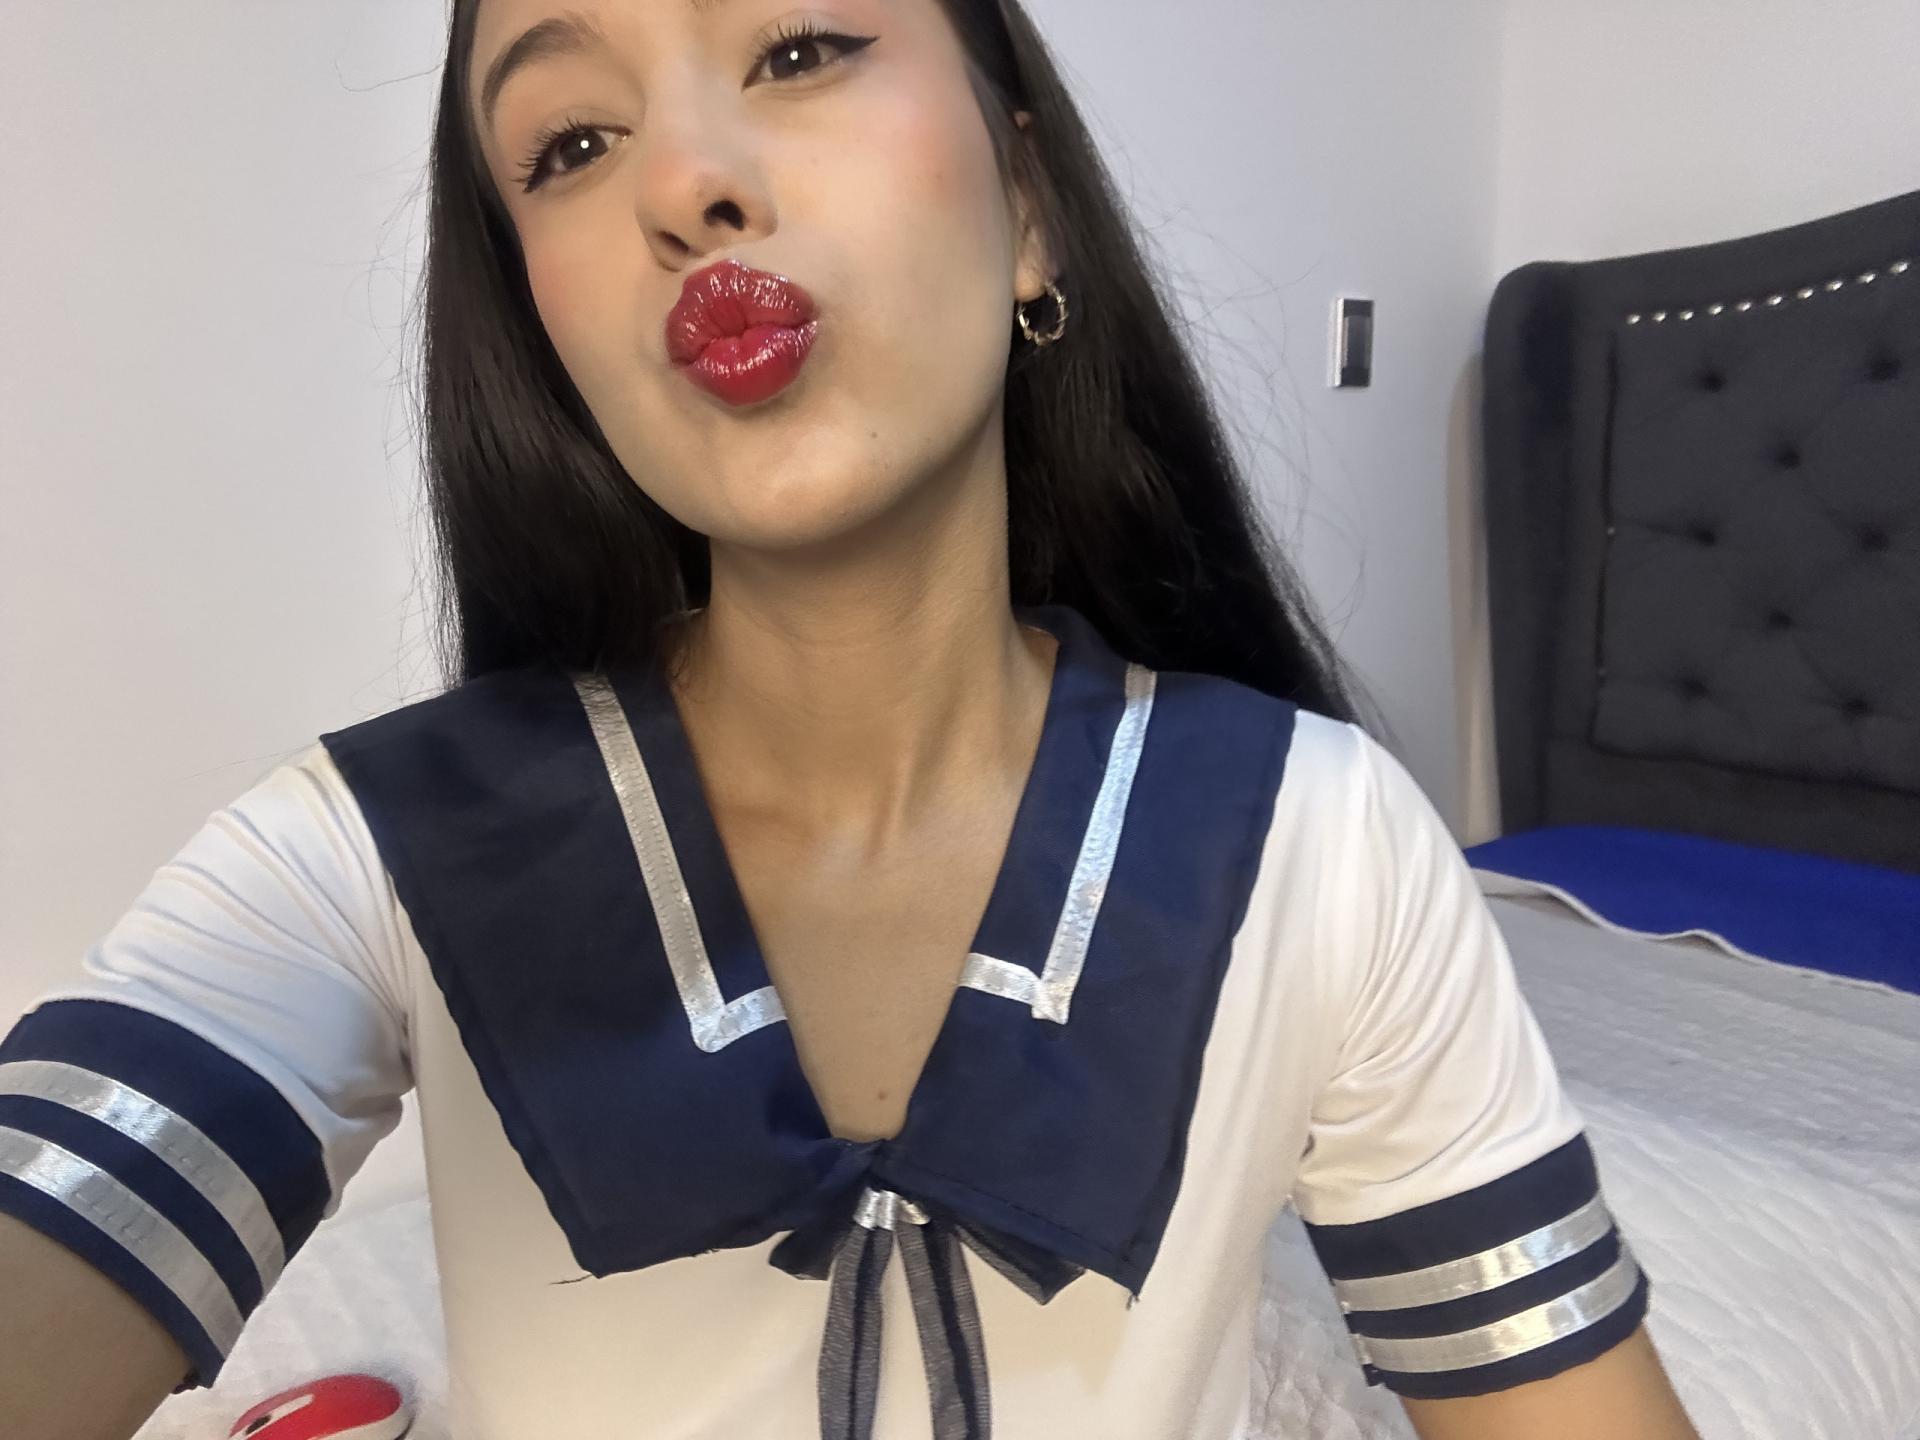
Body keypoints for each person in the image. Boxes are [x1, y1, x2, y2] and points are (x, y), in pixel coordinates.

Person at [0, 1, 1703, 1437]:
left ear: (1027, 203)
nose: (686, 184)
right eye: (572, 144)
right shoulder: (354, 863)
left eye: (800, 48)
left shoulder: (1327, 847)